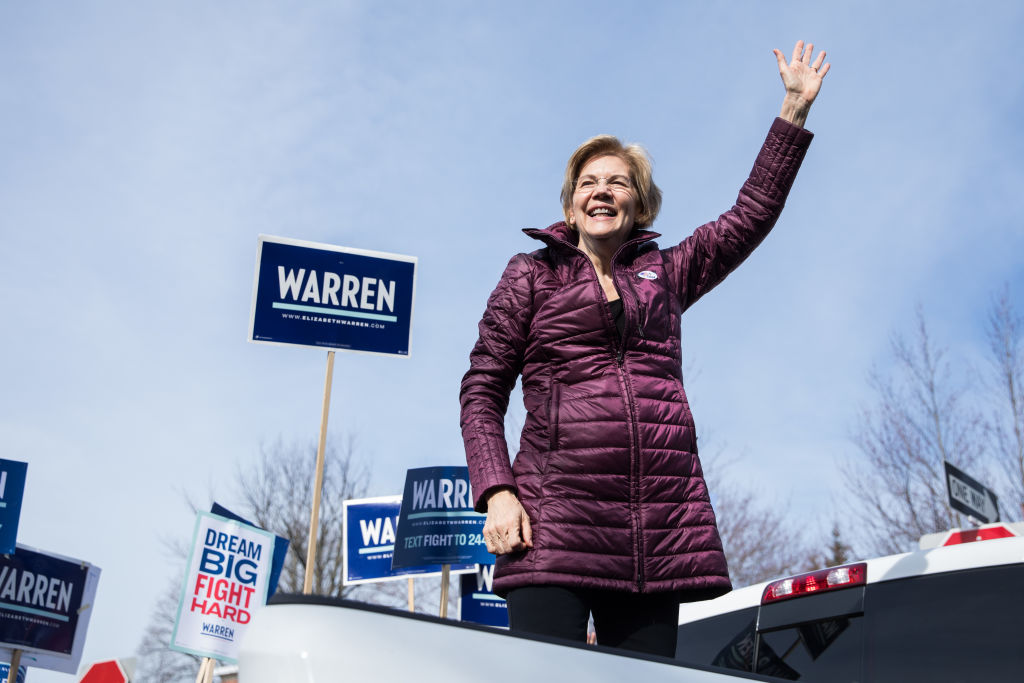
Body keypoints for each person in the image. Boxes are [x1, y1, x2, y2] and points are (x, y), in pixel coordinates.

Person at [459, 40, 829, 657]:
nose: (601, 191)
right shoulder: (531, 273)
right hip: (552, 525)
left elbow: (749, 216)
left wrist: (792, 110)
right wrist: (497, 490)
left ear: (640, 204)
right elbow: (481, 392)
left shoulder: (666, 274)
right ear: (572, 205)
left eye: (618, 182)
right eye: (588, 183)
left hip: (652, 537)